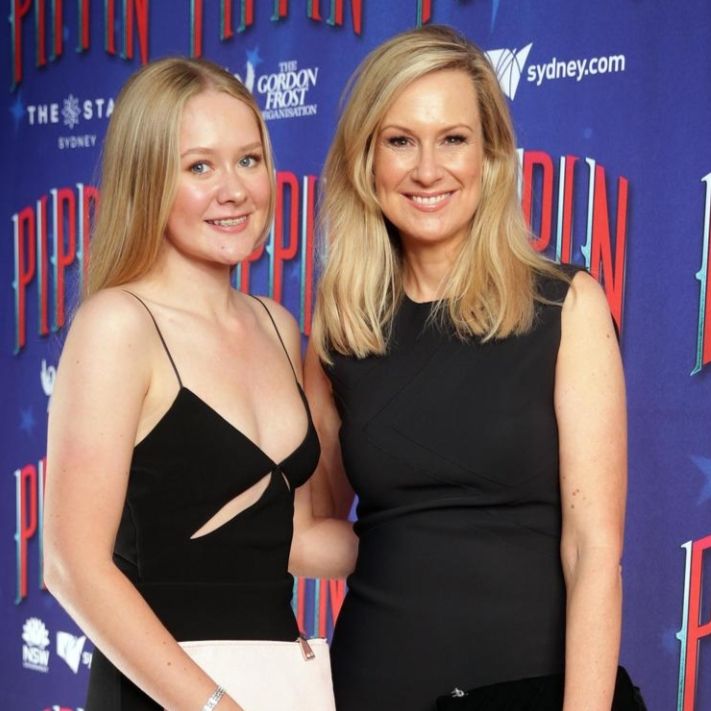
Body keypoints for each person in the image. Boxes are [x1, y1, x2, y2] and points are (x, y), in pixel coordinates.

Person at [306, 25, 637, 711]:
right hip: (372, 687)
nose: (428, 170)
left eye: (453, 138)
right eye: (400, 141)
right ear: (366, 160)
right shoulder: (340, 330)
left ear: (490, 157)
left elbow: (592, 550)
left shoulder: (565, 305)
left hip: (530, 691)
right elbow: (310, 532)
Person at [44, 57, 354, 711]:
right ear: (149, 179)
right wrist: (215, 706)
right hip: (165, 696)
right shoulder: (118, 325)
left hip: (279, 683)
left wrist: (439, 538)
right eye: (199, 167)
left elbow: (295, 539)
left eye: (248, 160)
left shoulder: (276, 324)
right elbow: (73, 565)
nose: (233, 189)